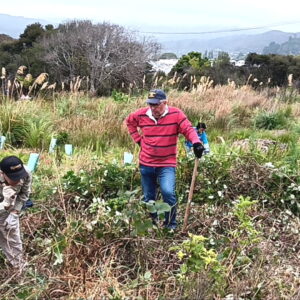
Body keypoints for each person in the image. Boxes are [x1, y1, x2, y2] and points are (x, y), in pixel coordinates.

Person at [126, 89, 204, 229]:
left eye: (156, 105)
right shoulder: (141, 114)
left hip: (166, 164)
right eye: (151, 105)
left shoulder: (176, 114)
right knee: (148, 197)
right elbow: (129, 122)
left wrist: (196, 143)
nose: (153, 108)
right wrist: (138, 140)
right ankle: (152, 225)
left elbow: (188, 129)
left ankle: (170, 226)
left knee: (168, 192)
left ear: (165, 103)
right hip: (146, 163)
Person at [0, 156, 32, 272]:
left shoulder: (26, 173)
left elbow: (24, 194)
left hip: (8, 210)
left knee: (12, 238)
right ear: (2, 173)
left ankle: (19, 268)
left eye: (20, 176)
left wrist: (14, 212)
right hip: (3, 205)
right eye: (14, 178)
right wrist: (4, 203)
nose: (18, 180)